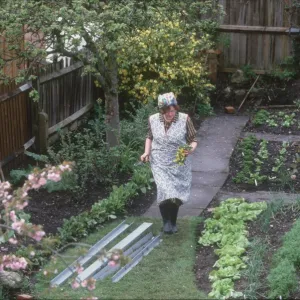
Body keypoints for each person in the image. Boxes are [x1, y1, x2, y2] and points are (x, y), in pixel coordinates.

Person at [140, 92, 197, 234]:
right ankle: (166, 223)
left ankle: (173, 222)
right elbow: (149, 136)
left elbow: (193, 140)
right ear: (161, 110)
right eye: (167, 111)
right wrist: (146, 152)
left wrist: (190, 149)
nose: (171, 113)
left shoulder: (184, 119)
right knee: (165, 190)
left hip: (179, 162)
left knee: (176, 193)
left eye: (173, 110)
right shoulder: (153, 119)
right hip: (159, 161)